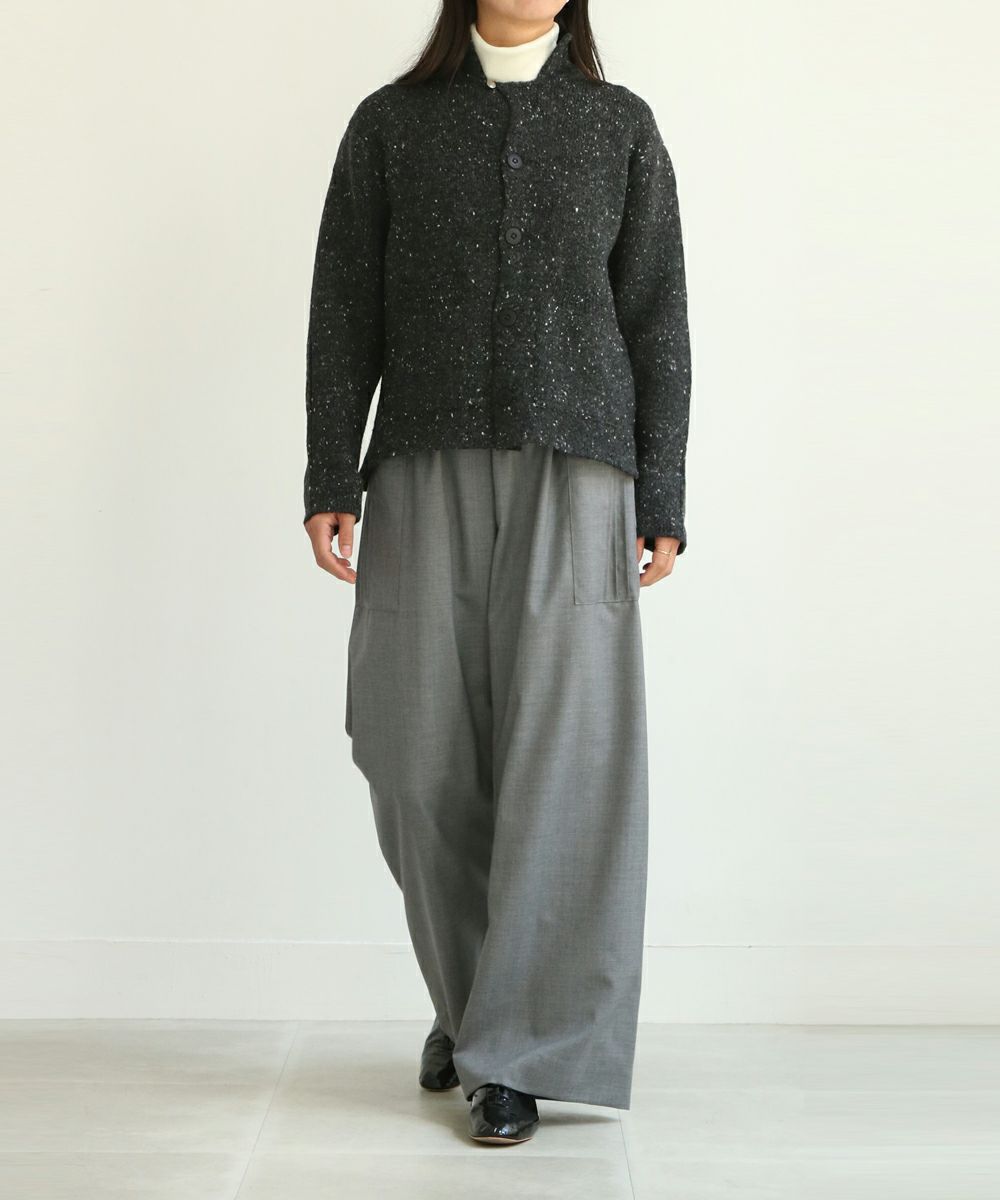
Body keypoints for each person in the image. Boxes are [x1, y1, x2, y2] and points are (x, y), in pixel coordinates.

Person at [302, 0, 691, 1146]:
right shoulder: (391, 125)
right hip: (419, 460)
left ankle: (514, 1052)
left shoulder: (618, 125)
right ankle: (472, 1006)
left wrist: (662, 494)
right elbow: (343, 308)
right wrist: (330, 471)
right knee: (412, 753)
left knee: (566, 765)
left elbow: (655, 316)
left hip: (580, 469)